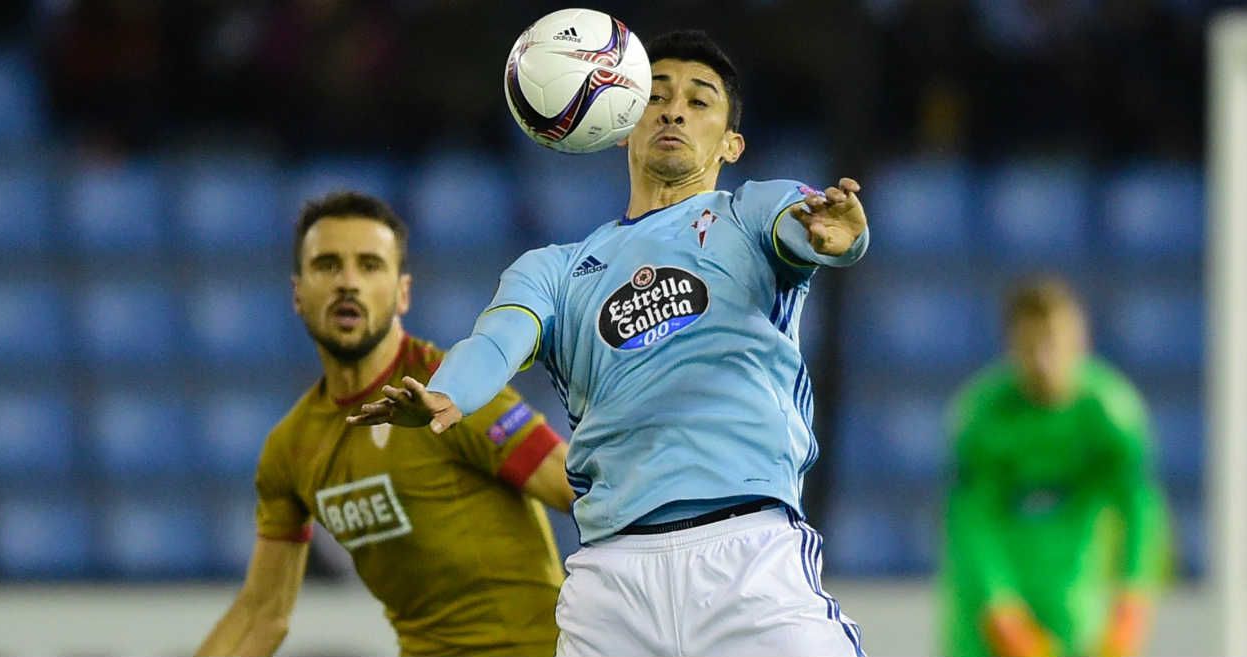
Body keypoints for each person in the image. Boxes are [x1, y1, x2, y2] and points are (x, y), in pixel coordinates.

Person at [349, 29, 868, 657]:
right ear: (623, 123)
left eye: (700, 101)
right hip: (613, 586)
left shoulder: (751, 212)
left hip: (749, 558)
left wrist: (836, 235)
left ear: (732, 144)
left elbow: (805, 227)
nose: (674, 109)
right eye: (656, 96)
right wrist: (445, 392)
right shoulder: (556, 269)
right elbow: (496, 341)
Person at [196, 191, 575, 657]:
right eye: (328, 265)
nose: (348, 283)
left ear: (403, 293)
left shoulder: (454, 393)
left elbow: (583, 495)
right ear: (297, 292)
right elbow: (261, 616)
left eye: (370, 265)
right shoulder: (291, 447)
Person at [940, 277, 1173, 657]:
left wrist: (1132, 602)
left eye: (1058, 343)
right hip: (990, 623)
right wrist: (1001, 611)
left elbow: (1141, 512)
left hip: (1075, 613)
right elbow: (969, 522)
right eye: (1032, 347)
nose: (1046, 361)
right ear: (1011, 347)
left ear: (1081, 341)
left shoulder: (1109, 415)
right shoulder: (984, 418)